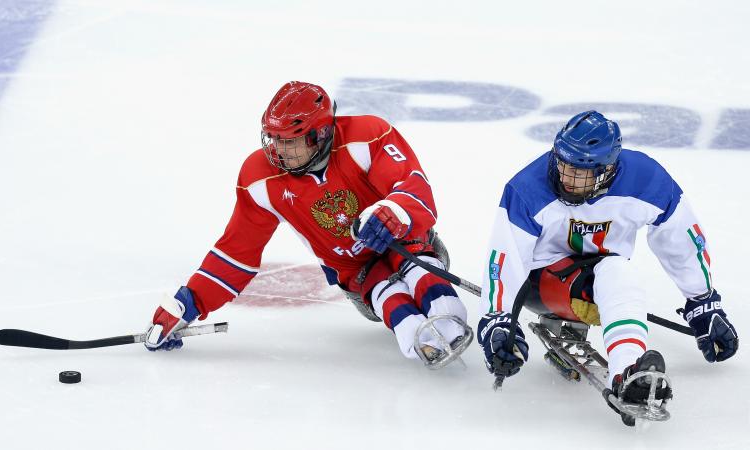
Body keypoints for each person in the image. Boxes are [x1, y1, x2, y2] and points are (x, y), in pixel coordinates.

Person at [143, 81, 471, 367]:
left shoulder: (366, 136)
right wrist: (189, 302)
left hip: (408, 242)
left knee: (415, 264)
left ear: (320, 135)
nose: (278, 151)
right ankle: (419, 336)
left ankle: (450, 316)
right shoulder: (259, 179)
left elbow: (413, 186)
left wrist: (392, 212)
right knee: (387, 287)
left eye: (289, 141)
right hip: (359, 275)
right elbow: (236, 253)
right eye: (273, 139)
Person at [477, 110, 738, 418]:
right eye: (562, 164)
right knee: (615, 273)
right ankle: (616, 355)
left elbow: (682, 239)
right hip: (540, 284)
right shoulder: (527, 188)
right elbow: (503, 259)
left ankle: (629, 372)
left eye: (578, 171)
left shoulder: (648, 180)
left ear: (607, 170)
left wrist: (702, 301)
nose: (565, 177)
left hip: (604, 275)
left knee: (618, 272)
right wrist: (497, 320)